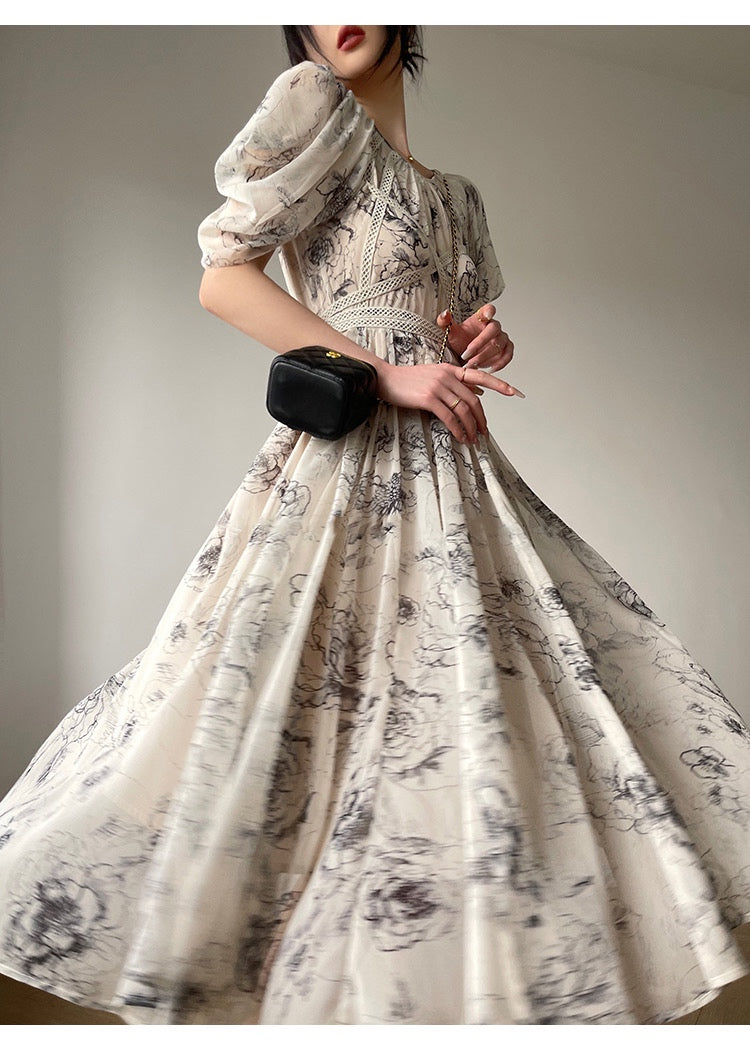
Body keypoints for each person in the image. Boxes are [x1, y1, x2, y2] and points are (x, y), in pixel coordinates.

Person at [0, 24, 748, 1026]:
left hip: (457, 474)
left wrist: (477, 338)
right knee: (285, 705)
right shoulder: (311, 103)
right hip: (351, 458)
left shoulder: (461, 198)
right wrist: (387, 371)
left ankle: (427, 983)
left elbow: (442, 319)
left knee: (467, 715)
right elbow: (224, 276)